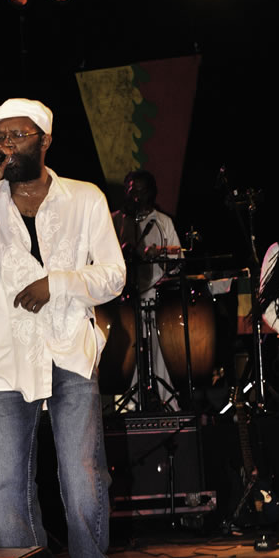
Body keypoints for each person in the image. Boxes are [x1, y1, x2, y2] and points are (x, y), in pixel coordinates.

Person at [0, 98, 126, 558]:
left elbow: (113, 275)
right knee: (10, 490)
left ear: (44, 140)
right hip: (7, 359)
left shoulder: (84, 198)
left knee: (83, 479)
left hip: (69, 350)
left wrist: (59, 284)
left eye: (18, 136)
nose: (7, 145)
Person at [112, 170, 182, 409]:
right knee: (126, 354)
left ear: (151, 193)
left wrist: (159, 255)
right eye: (132, 191)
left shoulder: (162, 222)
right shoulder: (115, 221)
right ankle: (128, 406)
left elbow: (177, 263)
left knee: (159, 352)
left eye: (141, 191)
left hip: (154, 298)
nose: (136, 197)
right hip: (123, 301)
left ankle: (168, 403)